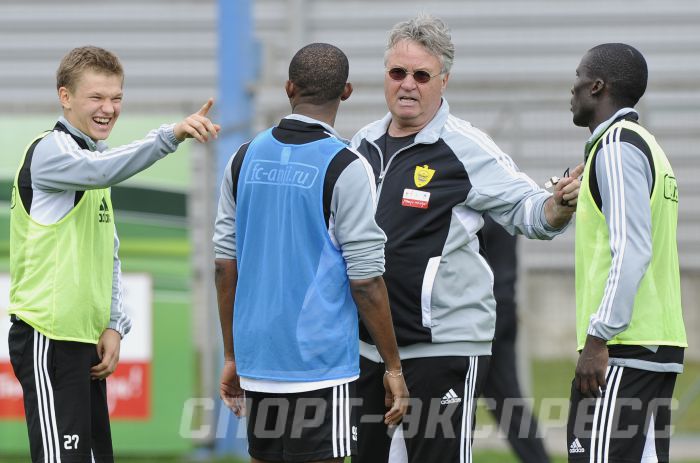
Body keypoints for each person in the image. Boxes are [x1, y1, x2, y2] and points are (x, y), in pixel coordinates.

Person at [350, 15, 582, 463]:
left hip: (443, 348)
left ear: (444, 80)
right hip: (370, 349)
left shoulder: (465, 146)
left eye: (422, 75)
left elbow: (528, 209)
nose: (408, 85)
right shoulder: (363, 143)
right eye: (398, 72)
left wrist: (559, 206)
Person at [7, 45, 220, 463]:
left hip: (84, 340)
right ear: (65, 96)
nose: (109, 109)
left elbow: (110, 254)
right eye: (96, 97)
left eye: (116, 98)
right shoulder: (51, 151)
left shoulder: (94, 156)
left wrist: (113, 324)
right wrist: (170, 136)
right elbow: (100, 171)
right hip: (48, 337)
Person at [214, 42, 409, 463]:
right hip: (320, 367)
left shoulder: (242, 158)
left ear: (289, 88)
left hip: (257, 360)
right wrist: (393, 367)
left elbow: (224, 266)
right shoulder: (347, 165)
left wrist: (231, 354)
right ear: (347, 91)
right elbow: (366, 282)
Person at [567, 43, 687, 463]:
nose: (572, 88)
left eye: (578, 77)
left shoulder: (617, 147)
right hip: (656, 345)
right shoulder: (646, 144)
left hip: (623, 348)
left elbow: (632, 249)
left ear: (597, 86)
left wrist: (598, 338)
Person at [480, 215, 551, 463]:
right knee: (508, 406)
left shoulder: (485, 208)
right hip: (498, 310)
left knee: (453, 403)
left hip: (488, 315)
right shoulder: (499, 207)